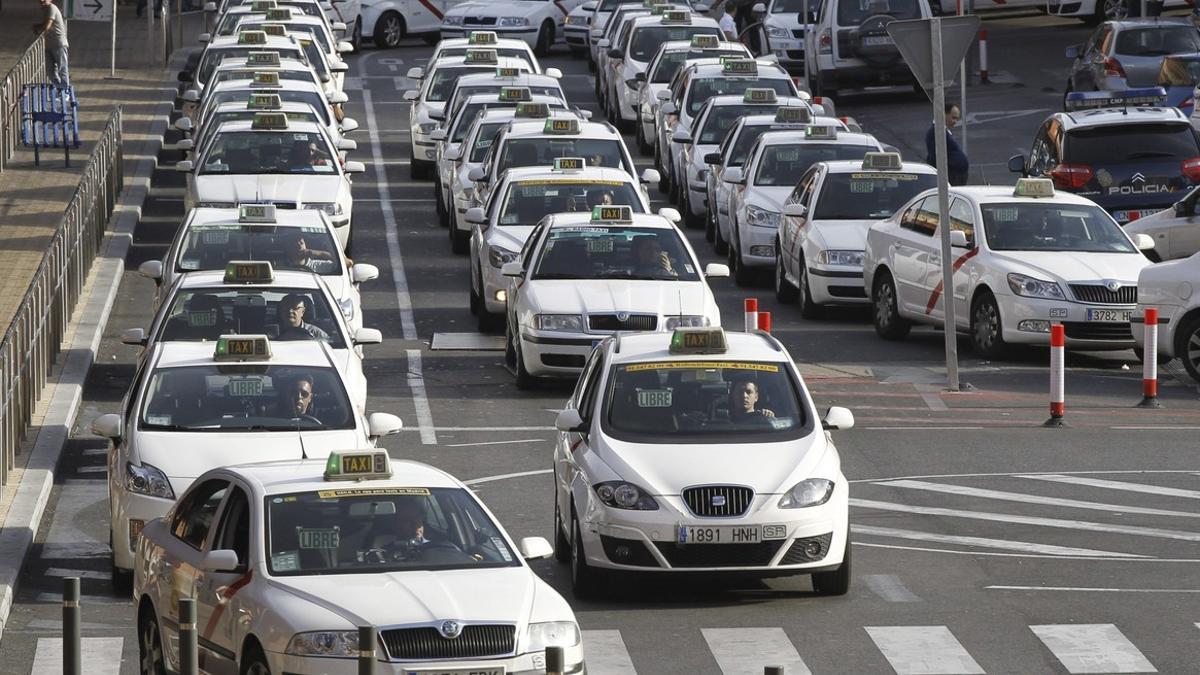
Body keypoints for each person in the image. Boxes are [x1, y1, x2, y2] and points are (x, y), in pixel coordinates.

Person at [924, 103, 969, 186]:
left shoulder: (943, 131)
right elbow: (935, 157)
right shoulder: (936, 132)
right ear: (943, 114)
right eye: (953, 118)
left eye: (957, 119)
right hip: (951, 177)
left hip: (956, 176)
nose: (955, 122)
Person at [33, 0, 69, 87]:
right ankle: (58, 89)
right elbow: (45, 25)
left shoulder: (51, 8)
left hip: (59, 44)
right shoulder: (45, 9)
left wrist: (37, 27)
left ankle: (65, 91)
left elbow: (47, 26)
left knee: (62, 68)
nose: (42, 1)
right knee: (50, 71)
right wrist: (37, 27)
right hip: (49, 45)